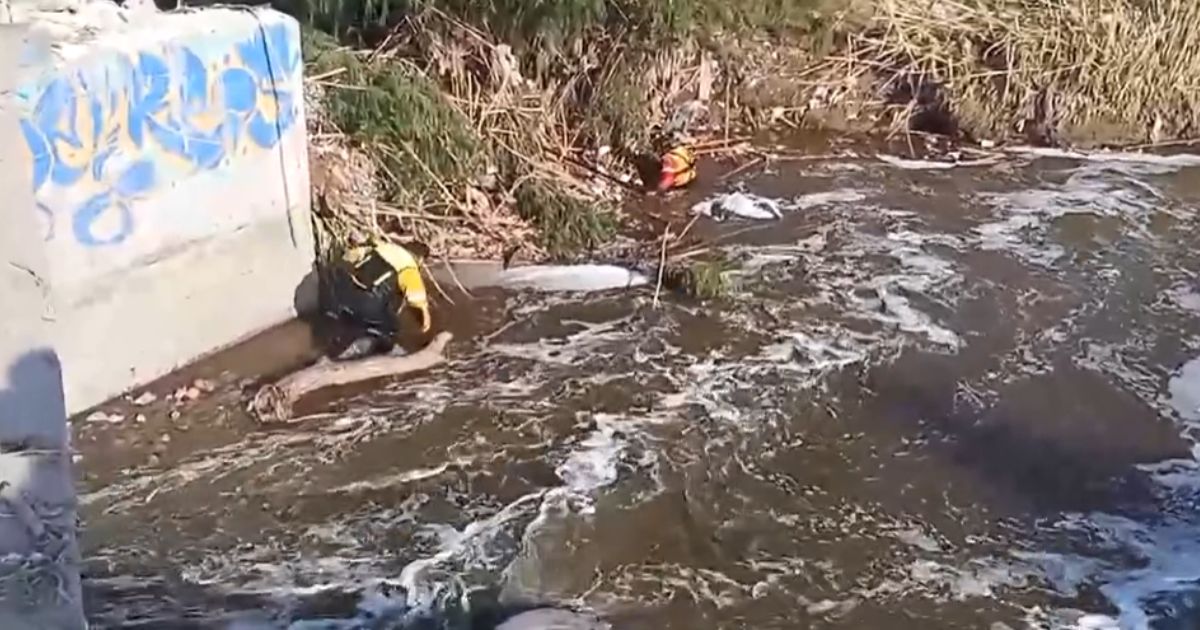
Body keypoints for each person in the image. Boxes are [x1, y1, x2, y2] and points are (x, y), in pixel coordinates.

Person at [327, 237, 432, 361]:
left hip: (341, 293)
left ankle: (333, 345)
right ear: (420, 259)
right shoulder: (409, 266)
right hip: (367, 304)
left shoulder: (382, 248)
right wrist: (426, 321)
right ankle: (368, 353)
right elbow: (417, 299)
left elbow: (348, 257)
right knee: (390, 327)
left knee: (352, 319)